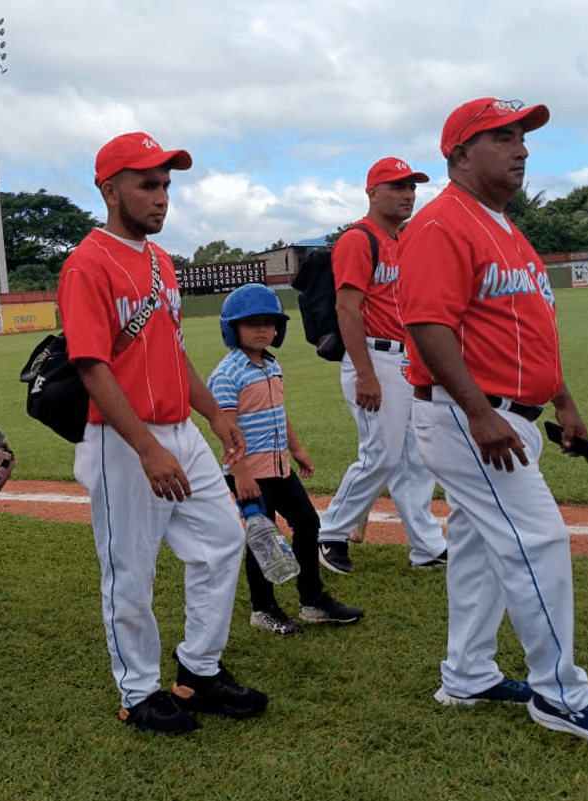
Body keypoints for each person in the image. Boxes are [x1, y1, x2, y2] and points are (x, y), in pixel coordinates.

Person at [398, 97, 588, 743]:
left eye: (522, 138)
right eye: (502, 137)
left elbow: (527, 327)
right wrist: (478, 411)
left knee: (480, 553)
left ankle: (467, 673)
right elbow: (428, 325)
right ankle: (560, 692)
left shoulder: (503, 225)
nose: (522, 150)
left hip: (509, 414)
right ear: (458, 154)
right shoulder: (442, 223)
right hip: (469, 417)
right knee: (539, 541)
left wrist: (562, 401)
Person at [56, 132, 267, 734]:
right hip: (121, 439)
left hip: (178, 428)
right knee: (130, 568)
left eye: (167, 184)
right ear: (109, 188)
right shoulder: (86, 265)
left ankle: (198, 669)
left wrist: (213, 412)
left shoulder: (160, 260)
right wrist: (147, 448)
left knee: (224, 537)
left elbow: (172, 351)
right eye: (148, 184)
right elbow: (93, 366)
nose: (161, 196)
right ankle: (138, 690)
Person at [208, 284, 364, 635]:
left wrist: (296, 449)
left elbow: (279, 412)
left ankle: (312, 601)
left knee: (309, 525)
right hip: (249, 474)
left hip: (280, 467)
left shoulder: (272, 366)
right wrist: (241, 473)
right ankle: (263, 609)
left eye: (269, 322)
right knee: (263, 538)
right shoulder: (228, 374)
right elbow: (226, 431)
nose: (263, 329)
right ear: (232, 328)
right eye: (252, 323)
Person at [316, 158, 447, 574]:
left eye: (411, 187)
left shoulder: (402, 239)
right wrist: (366, 372)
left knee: (416, 456)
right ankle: (329, 533)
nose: (407, 194)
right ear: (373, 192)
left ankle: (426, 545)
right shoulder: (359, 239)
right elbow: (347, 308)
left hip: (405, 359)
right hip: (373, 357)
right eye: (396, 186)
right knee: (381, 455)